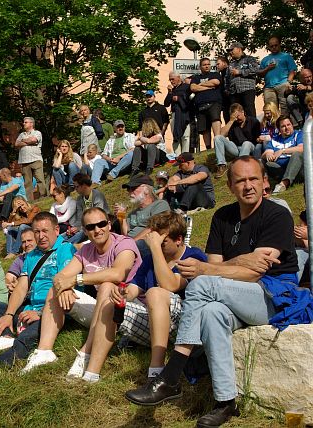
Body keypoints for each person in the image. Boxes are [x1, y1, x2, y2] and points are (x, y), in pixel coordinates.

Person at [125, 156, 302, 428]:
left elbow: (252, 273)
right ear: (230, 186)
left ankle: (171, 376)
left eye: (253, 179)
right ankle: (225, 402)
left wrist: (215, 268)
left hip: (273, 296)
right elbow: (221, 267)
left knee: (200, 283)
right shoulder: (222, 216)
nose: (248, 186)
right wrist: (239, 262)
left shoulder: (277, 215)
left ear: (264, 181)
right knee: (210, 312)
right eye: (240, 181)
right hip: (233, 297)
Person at [20, 207, 141, 377]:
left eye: (101, 224)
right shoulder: (86, 250)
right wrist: (64, 287)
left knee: (107, 286)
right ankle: (44, 351)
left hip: (131, 309)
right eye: (91, 227)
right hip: (103, 310)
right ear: (85, 231)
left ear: (109, 225)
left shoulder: (124, 243)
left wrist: (75, 280)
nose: (97, 230)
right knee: (55, 290)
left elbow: (118, 274)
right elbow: (60, 277)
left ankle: (86, 353)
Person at [0, 212, 77, 372]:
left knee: (28, 335)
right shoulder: (31, 255)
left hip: (57, 311)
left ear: (56, 230)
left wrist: (40, 314)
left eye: (45, 231)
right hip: (31, 308)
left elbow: (65, 286)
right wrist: (9, 315)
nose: (41, 236)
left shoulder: (66, 249)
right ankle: (5, 336)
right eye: (37, 232)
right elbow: (22, 287)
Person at [120, 212, 207, 378]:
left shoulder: (194, 257)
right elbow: (133, 289)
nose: (157, 244)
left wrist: (154, 248)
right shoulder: (150, 260)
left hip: (187, 327)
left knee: (155, 293)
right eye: (155, 240)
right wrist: (121, 294)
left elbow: (170, 285)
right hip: (156, 324)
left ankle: (156, 370)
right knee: (108, 299)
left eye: (162, 241)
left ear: (179, 239)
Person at [117, 174, 170, 257]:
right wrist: (122, 217)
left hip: (149, 244)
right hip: (131, 246)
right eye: (128, 189)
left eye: (133, 188)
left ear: (146, 190)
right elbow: (125, 234)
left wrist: (131, 243)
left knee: (139, 244)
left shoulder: (160, 205)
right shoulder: (132, 213)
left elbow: (154, 228)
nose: (129, 192)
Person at [214, 103, 261, 178]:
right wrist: (231, 121)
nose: (237, 118)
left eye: (238, 116)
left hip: (251, 147)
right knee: (217, 138)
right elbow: (221, 135)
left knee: (246, 143)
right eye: (234, 117)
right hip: (236, 148)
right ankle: (221, 165)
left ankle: (239, 166)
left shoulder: (253, 121)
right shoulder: (233, 123)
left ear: (243, 112)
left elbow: (259, 138)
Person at [262, 115, 303, 194]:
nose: (287, 128)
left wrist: (282, 151)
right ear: (279, 129)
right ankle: (265, 185)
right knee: (262, 161)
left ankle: (284, 184)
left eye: (288, 125)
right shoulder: (275, 140)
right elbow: (266, 152)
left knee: (297, 154)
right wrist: (268, 154)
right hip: (281, 170)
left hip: (299, 170)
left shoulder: (299, 134)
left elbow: (302, 148)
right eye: (283, 126)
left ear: (292, 125)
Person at [66, 173, 110, 244]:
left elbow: (97, 217)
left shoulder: (97, 196)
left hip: (99, 225)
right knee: (67, 233)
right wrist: (75, 228)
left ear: (84, 186)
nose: (75, 189)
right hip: (86, 225)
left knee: (83, 232)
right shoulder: (79, 199)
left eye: (77, 186)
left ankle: (65, 246)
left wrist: (80, 228)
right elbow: (80, 217)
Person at [259, 36, 297, 116]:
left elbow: (292, 71)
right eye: (271, 46)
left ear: (279, 44)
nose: (274, 47)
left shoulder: (286, 56)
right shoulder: (265, 59)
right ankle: (273, 124)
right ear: (269, 47)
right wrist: (267, 68)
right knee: (271, 110)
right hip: (269, 88)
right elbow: (260, 74)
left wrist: (288, 82)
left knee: (285, 109)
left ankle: (286, 123)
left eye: (276, 45)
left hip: (283, 84)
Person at [190, 57, 223, 150]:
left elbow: (216, 82)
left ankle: (218, 144)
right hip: (200, 105)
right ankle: (208, 148)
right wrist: (208, 87)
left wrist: (200, 85)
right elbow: (193, 88)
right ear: (200, 67)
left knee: (215, 120)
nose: (207, 66)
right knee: (204, 128)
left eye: (208, 64)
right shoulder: (196, 77)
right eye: (204, 65)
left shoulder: (215, 74)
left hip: (214, 103)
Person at [15, 117, 46, 201]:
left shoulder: (37, 133)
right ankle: (29, 200)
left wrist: (23, 141)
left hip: (36, 159)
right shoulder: (21, 134)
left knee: (40, 179)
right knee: (27, 183)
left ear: (31, 123)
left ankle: (43, 197)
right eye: (24, 122)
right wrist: (28, 141)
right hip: (24, 161)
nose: (24, 124)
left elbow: (34, 140)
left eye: (26, 122)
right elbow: (16, 144)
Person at [164, 72, 191, 155]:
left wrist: (179, 98)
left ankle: (185, 156)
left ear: (178, 77)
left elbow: (189, 100)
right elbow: (166, 103)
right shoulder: (172, 89)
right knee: (175, 136)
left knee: (185, 136)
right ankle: (178, 156)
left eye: (173, 79)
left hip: (185, 114)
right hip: (174, 115)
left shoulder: (186, 87)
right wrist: (169, 92)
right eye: (170, 80)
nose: (171, 81)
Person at [5, 228, 37, 292]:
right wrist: (11, 284)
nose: (26, 244)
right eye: (23, 242)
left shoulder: (45, 256)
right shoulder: (20, 259)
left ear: (37, 240)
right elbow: (9, 277)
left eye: (29, 240)